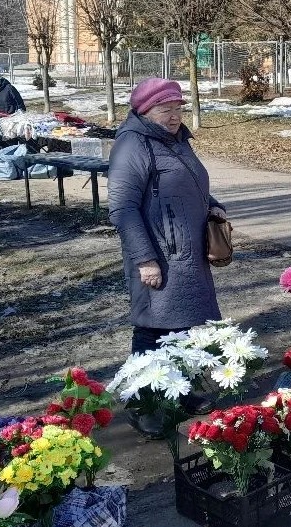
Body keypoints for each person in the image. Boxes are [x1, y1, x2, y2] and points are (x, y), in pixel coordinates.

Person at [108, 78, 227, 437]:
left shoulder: (176, 141)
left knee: (185, 328)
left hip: (188, 255)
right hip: (159, 255)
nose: (174, 116)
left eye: (178, 108)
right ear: (146, 110)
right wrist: (145, 259)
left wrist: (214, 207)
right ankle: (144, 406)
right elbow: (123, 208)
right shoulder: (134, 143)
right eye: (165, 109)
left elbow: (191, 184)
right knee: (152, 330)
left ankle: (181, 391)